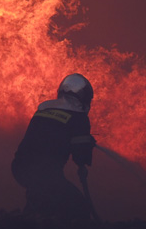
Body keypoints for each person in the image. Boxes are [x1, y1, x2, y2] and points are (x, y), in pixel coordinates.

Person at [11, 73, 96, 220]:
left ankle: (31, 218)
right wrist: (86, 144)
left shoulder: (43, 111)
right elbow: (80, 157)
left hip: (19, 168)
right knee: (79, 207)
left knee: (43, 197)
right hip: (46, 174)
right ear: (84, 98)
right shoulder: (79, 118)